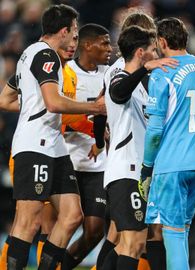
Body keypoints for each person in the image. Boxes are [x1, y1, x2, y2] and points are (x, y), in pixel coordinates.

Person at [1, 4, 105, 270]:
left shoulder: (30, 55)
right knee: (29, 221)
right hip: (36, 145)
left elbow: (5, 99)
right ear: (63, 30)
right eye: (74, 34)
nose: (75, 39)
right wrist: (95, 107)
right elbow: (54, 102)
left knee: (71, 216)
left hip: (54, 147)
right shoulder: (45, 55)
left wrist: (30, 107)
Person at [141, 17, 195, 270]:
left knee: (172, 233)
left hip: (172, 163)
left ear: (162, 42)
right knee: (182, 231)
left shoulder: (163, 72)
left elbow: (155, 130)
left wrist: (147, 168)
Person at [102, 25, 178, 270]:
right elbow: (117, 93)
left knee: (140, 240)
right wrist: (145, 69)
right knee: (133, 243)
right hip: (125, 171)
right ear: (140, 53)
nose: (156, 55)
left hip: (139, 173)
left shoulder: (142, 90)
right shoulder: (119, 76)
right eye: (152, 50)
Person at [61, 23, 112, 269]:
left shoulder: (111, 74)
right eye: (104, 43)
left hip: (97, 166)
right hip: (66, 159)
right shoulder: (66, 72)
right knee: (60, 224)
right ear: (87, 45)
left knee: (94, 231)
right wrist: (95, 130)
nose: (110, 48)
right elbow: (59, 117)